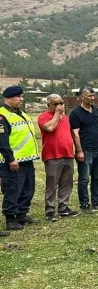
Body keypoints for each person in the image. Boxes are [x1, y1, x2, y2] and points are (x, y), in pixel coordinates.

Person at [0, 86, 40, 232]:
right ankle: (10, 218)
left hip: (26, 159)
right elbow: (2, 141)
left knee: (28, 189)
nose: (21, 99)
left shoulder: (21, 113)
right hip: (12, 161)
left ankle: (22, 214)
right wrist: (10, 159)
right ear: (8, 98)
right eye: (18, 97)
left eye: (22, 96)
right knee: (13, 189)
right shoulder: (2, 115)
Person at [38, 94, 78, 222]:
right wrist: (56, 114)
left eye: (61, 103)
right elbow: (50, 128)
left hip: (67, 154)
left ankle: (63, 207)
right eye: (56, 104)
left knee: (67, 183)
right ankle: (50, 210)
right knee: (52, 184)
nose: (59, 106)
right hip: (52, 156)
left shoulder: (65, 118)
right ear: (48, 105)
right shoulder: (43, 117)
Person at [70, 86, 98, 213]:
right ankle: (85, 204)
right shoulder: (75, 113)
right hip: (85, 151)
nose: (93, 98)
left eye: (93, 95)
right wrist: (79, 151)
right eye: (90, 96)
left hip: (97, 149)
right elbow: (75, 133)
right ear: (82, 97)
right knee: (84, 179)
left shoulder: (96, 110)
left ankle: (96, 202)